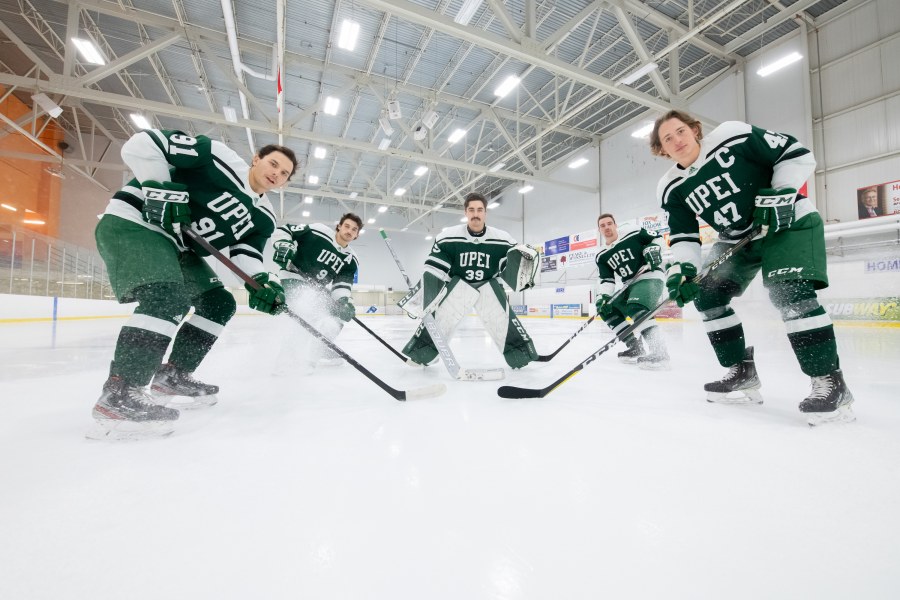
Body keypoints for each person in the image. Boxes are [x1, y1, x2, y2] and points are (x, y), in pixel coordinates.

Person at [650, 110, 854, 425]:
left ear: (694, 130)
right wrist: (683, 271)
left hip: (787, 220)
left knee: (790, 293)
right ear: (662, 150)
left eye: (680, 131)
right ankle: (741, 370)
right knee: (707, 296)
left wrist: (781, 193)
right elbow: (684, 237)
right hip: (736, 239)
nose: (676, 140)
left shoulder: (732, 135)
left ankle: (830, 381)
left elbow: (796, 154)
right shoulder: (670, 187)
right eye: (667, 138)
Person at [92, 128, 297, 438]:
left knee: (220, 303)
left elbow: (246, 252)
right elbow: (142, 144)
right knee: (167, 297)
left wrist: (262, 281)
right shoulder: (217, 157)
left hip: (178, 247)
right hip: (136, 223)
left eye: (284, 174)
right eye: (273, 164)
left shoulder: (265, 217)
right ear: (256, 159)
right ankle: (120, 392)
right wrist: (161, 189)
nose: (276, 174)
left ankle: (172, 375)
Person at [401, 192, 540, 369]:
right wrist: (422, 300)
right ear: (466, 212)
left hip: (488, 286)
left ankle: (520, 354)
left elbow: (510, 270)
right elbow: (435, 270)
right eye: (472, 210)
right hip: (457, 287)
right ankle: (422, 353)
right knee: (440, 319)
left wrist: (523, 272)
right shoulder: (447, 237)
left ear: (485, 213)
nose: (476, 214)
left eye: (480, 210)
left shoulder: (503, 239)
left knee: (502, 318)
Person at [269, 213, 362, 369]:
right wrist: (284, 244)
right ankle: (286, 357)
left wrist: (343, 302)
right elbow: (285, 230)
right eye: (347, 226)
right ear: (339, 226)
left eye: (354, 230)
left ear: (357, 235)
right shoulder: (318, 230)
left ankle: (317, 353)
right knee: (305, 310)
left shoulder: (351, 259)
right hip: (293, 277)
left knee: (336, 318)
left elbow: (342, 284)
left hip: (317, 289)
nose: (349, 231)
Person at [594, 213, 669, 370]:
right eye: (603, 225)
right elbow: (607, 280)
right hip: (629, 284)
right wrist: (603, 297)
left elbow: (657, 238)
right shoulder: (601, 255)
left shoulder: (632, 232)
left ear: (615, 225)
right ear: (599, 230)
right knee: (606, 310)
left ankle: (660, 351)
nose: (607, 227)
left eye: (609, 223)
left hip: (650, 276)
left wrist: (654, 248)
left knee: (636, 307)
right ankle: (635, 346)